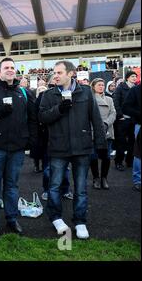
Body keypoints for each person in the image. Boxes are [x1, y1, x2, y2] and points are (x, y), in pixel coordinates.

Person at [39, 60, 107, 239]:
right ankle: (55, 217)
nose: (56, 75)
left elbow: (96, 119)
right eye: (55, 72)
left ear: (71, 73)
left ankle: (80, 221)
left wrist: (101, 144)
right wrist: (59, 109)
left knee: (81, 188)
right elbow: (42, 117)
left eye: (59, 72)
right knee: (54, 186)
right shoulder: (48, 94)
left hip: (82, 147)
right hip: (58, 147)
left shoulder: (85, 92)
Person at [0, 58, 38, 238]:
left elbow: (32, 118)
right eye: (6, 68)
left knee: (12, 186)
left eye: (12, 67)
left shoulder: (23, 92)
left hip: (17, 148)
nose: (10, 70)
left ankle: (11, 218)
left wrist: (31, 140)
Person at [90, 78, 116, 190]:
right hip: (93, 130)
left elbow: (113, 113)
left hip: (107, 130)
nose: (101, 86)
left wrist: (106, 124)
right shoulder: (90, 99)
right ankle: (96, 178)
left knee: (106, 156)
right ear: (93, 86)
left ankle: (104, 178)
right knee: (93, 156)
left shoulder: (109, 99)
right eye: (99, 85)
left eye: (102, 85)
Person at [113, 70, 137, 171]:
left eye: (135, 76)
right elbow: (116, 102)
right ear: (127, 78)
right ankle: (118, 162)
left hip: (134, 120)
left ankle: (129, 161)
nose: (134, 78)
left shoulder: (136, 89)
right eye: (132, 76)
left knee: (132, 142)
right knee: (121, 142)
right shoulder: (120, 88)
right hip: (122, 120)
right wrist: (120, 115)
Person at [122, 83, 141, 192]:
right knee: (139, 154)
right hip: (140, 125)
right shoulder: (135, 90)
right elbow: (126, 107)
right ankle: (138, 181)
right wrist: (139, 114)